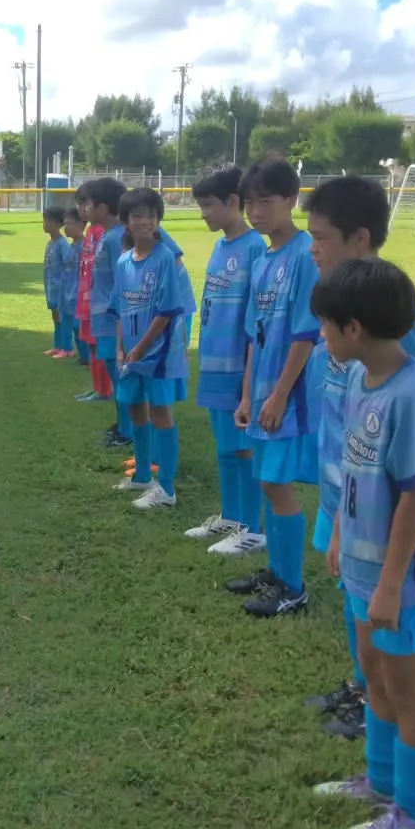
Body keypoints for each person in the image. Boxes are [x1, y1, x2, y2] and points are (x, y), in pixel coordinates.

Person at [311, 258, 415, 829]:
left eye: (325, 325)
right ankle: (380, 781)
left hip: (402, 578)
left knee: (406, 689)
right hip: (364, 565)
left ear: (353, 329)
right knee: (372, 674)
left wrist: (392, 585)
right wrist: (345, 537)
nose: (321, 335)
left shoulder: (414, 395)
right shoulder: (357, 378)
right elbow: (357, 469)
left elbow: (414, 496)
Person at [303, 176, 415, 741]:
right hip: (347, 493)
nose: (312, 247)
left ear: (359, 238)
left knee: (380, 621)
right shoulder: (343, 310)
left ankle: (378, 701)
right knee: (354, 606)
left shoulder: (396, 326)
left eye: (320, 237)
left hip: (379, 503)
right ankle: (366, 690)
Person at [227, 159, 320, 617]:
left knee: (277, 483)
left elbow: (306, 335)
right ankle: (277, 571)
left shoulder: (306, 255)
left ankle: (293, 587)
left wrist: (280, 395)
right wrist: (247, 395)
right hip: (262, 392)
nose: (257, 211)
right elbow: (254, 335)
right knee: (268, 482)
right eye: (251, 202)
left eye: (267, 201)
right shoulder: (264, 259)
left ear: (291, 200)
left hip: (290, 394)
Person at [187, 167, 267, 555]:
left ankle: (253, 529)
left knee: (244, 448)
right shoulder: (221, 246)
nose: (203, 213)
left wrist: (250, 377)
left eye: (207, 205)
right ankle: (232, 516)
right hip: (214, 365)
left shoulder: (255, 248)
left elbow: (256, 321)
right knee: (224, 447)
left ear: (232, 203)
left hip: (240, 369)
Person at [111, 188, 189, 510]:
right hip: (130, 354)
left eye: (151, 215)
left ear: (158, 220)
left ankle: (166, 487)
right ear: (126, 222)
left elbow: (167, 311)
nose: (144, 221)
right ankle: (142, 474)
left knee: (160, 412)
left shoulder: (165, 258)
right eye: (137, 215)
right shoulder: (123, 261)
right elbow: (120, 309)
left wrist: (141, 348)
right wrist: (119, 348)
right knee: (134, 408)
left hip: (156, 354)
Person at [86, 178, 131, 446]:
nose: (85, 210)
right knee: (115, 376)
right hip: (103, 318)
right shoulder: (107, 236)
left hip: (114, 320)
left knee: (121, 376)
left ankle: (127, 431)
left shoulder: (119, 239)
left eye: (89, 204)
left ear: (102, 207)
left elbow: (124, 282)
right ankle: (122, 424)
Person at [74, 184, 113, 403]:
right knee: (91, 343)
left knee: (98, 344)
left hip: (97, 301)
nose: (82, 209)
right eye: (80, 205)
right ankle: (97, 387)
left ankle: (104, 390)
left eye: (85, 204)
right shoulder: (90, 231)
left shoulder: (103, 233)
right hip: (86, 298)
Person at [41, 206, 72, 357]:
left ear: (57, 224)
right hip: (51, 288)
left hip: (60, 288)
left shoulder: (62, 244)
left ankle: (67, 348)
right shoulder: (50, 243)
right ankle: (58, 346)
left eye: (47, 221)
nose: (44, 224)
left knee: (62, 318)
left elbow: (69, 265)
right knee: (55, 316)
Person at [60, 206, 89, 365]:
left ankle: (89, 357)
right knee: (72, 326)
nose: (66, 227)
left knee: (80, 327)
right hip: (68, 292)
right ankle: (83, 356)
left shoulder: (85, 247)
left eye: (70, 223)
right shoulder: (71, 246)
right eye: (65, 223)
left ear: (81, 225)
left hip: (78, 293)